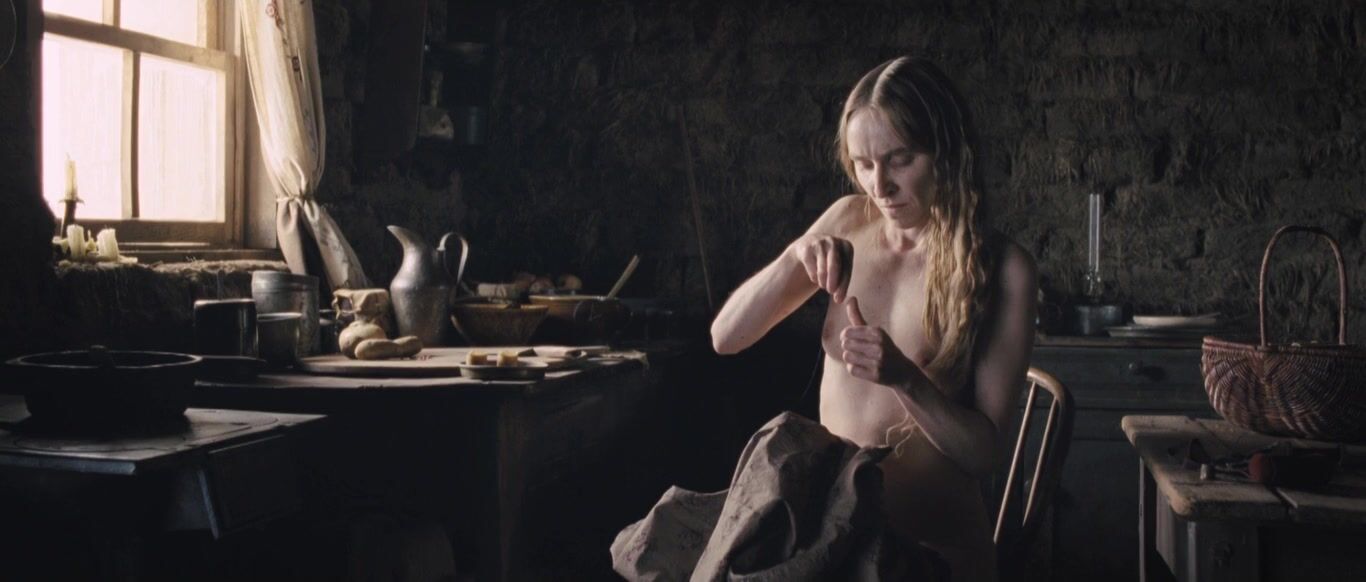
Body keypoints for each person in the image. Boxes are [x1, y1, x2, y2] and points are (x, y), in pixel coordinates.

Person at [709, 56, 1038, 582]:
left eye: (900, 160)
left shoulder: (1005, 268)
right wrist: (795, 256)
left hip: (934, 552)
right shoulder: (848, 220)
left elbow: (984, 456)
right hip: (833, 541)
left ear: (947, 153)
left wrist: (907, 379)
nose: (879, 185)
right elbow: (726, 337)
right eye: (863, 164)